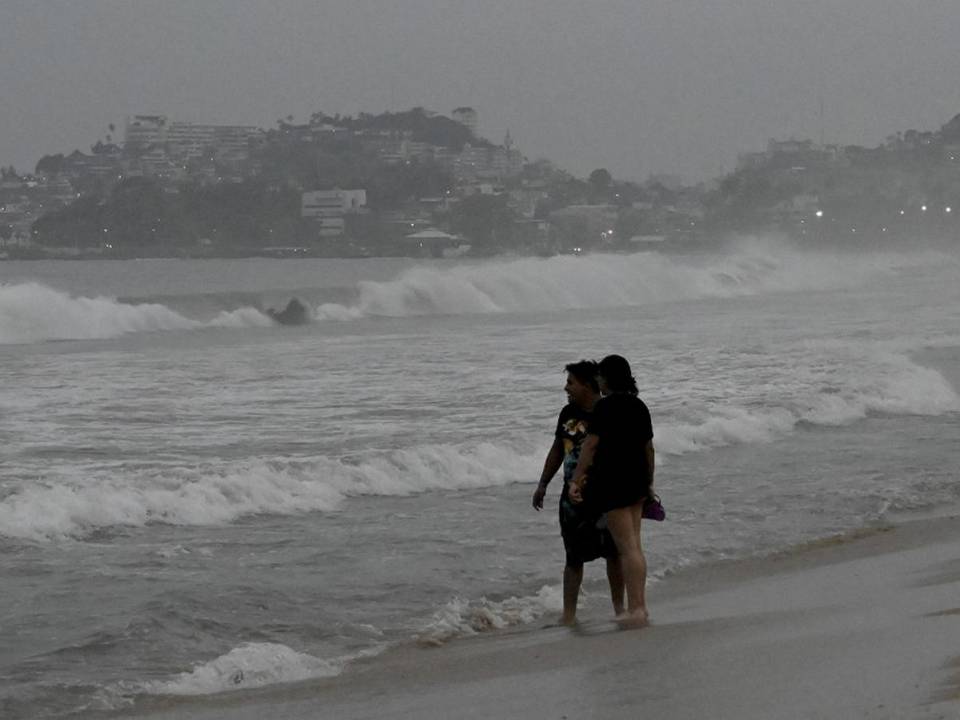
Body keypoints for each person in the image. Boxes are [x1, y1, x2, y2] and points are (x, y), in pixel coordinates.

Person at [533, 360, 624, 626]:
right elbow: (557, 449)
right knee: (573, 557)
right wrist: (543, 484)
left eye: (571, 382)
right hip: (572, 498)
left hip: (606, 494)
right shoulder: (567, 413)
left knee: (614, 553)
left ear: (586, 384)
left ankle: (620, 610)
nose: (566, 388)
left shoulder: (608, 411)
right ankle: (569, 616)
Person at [569, 354, 655, 626]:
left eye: (601, 377)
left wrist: (577, 479)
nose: (598, 381)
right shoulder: (639, 406)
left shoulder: (605, 408)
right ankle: (639, 606)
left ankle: (637, 609)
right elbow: (648, 449)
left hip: (613, 483)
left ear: (608, 378)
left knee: (626, 548)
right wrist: (649, 482)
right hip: (637, 481)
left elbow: (590, 446)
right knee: (635, 547)